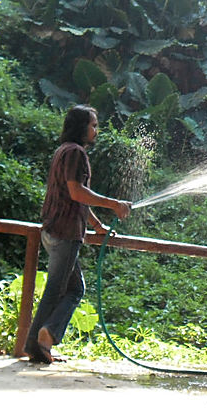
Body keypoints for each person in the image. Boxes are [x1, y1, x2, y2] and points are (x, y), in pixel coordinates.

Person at [24, 105, 132, 364]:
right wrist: (114, 204)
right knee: (58, 290)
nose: (96, 130)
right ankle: (42, 339)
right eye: (93, 125)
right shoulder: (76, 153)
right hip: (65, 232)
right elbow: (76, 192)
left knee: (74, 288)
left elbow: (76, 197)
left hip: (55, 229)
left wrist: (95, 224)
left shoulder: (63, 151)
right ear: (80, 126)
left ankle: (38, 343)